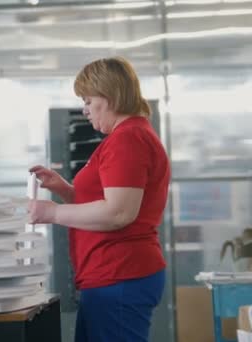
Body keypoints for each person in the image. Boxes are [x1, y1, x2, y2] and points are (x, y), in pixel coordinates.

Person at [28, 57, 169, 342]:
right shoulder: (128, 137)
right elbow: (113, 201)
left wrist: (53, 213)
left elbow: (119, 213)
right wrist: (68, 191)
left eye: (89, 101)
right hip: (112, 274)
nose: (85, 110)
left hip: (120, 274)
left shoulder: (127, 140)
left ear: (111, 96)